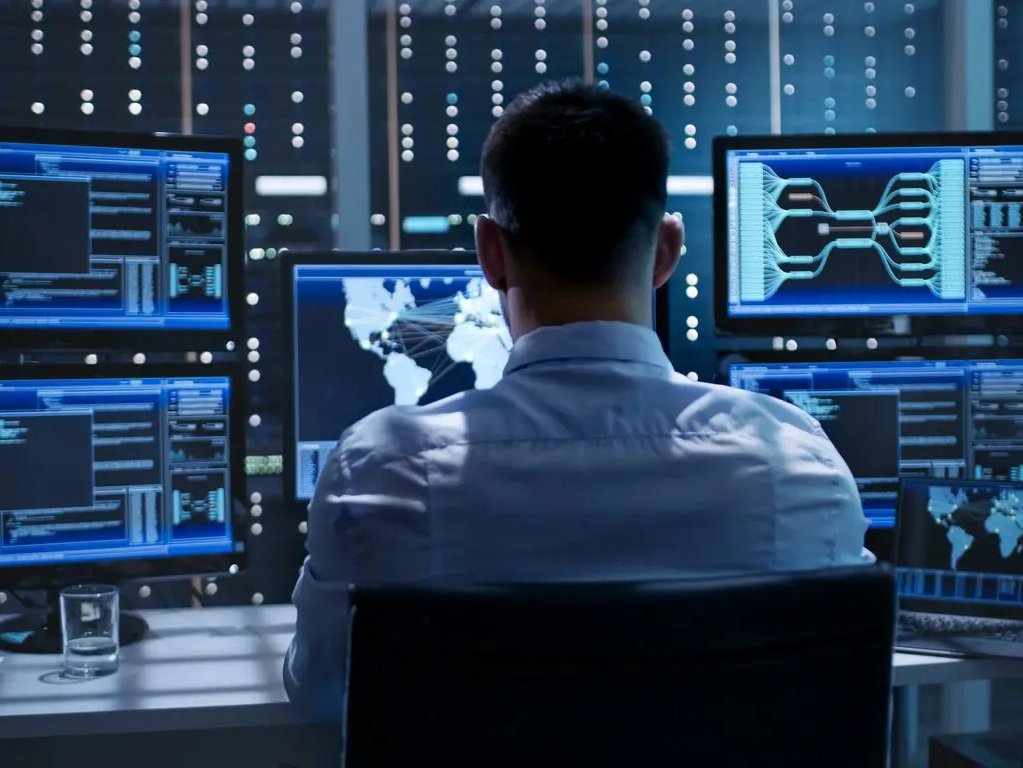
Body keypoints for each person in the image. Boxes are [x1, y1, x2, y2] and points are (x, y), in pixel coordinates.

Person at [284, 80, 870, 722]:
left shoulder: (382, 469)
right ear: (668, 251)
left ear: (489, 252)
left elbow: (319, 691)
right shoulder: (796, 461)